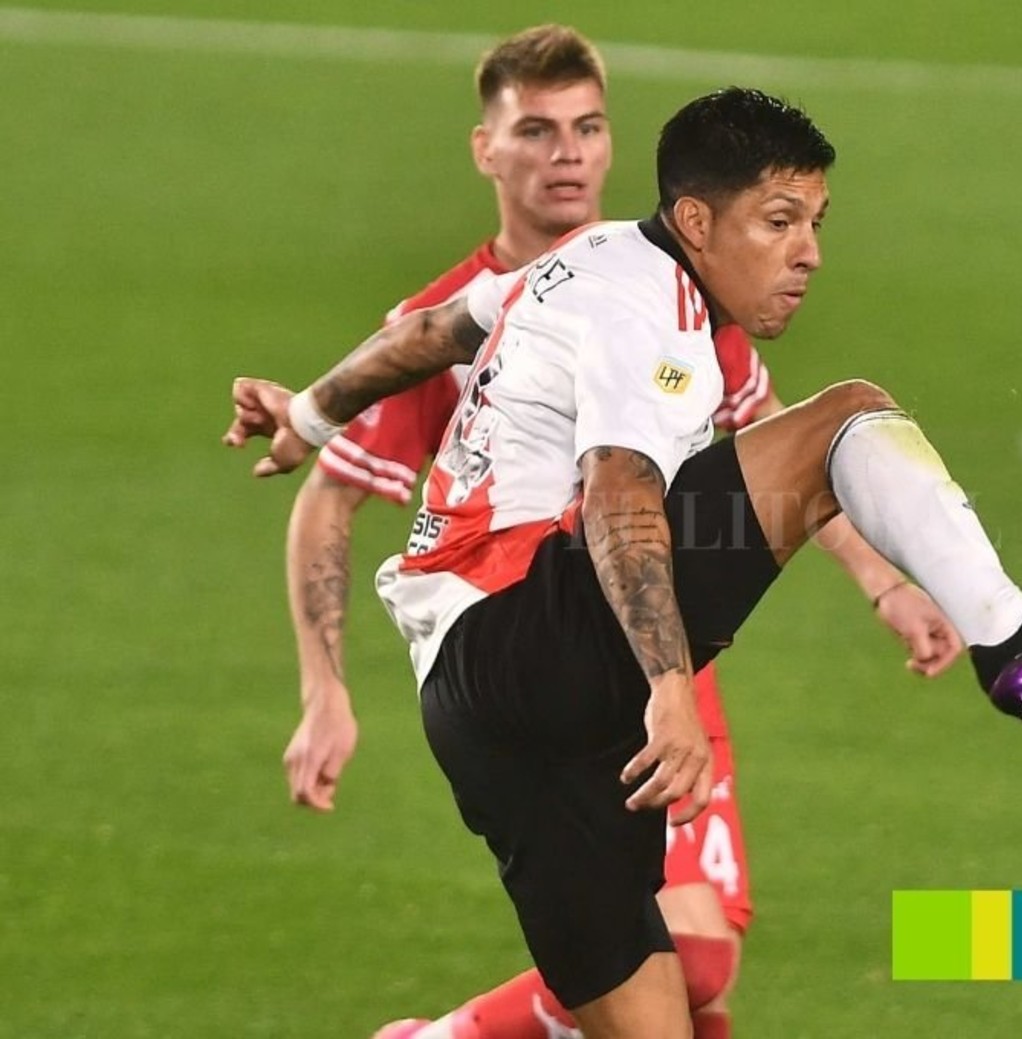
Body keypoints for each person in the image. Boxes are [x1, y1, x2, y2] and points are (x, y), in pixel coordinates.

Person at [226, 86, 1022, 1039]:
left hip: (474, 716)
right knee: (847, 416)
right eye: (779, 221)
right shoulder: (650, 311)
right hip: (530, 634)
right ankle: (1012, 643)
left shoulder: (578, 260)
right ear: (696, 221)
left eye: (815, 222)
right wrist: (669, 687)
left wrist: (306, 414)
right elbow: (619, 488)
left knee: (668, 1010)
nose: (808, 252)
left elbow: (428, 335)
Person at [274, 29, 958, 1039]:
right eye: (537, 131)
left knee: (700, 964)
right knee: (675, 967)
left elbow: (772, 453)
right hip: (548, 655)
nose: (567, 154)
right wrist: (323, 687)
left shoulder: (692, 286)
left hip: (663, 648)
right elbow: (331, 501)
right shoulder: (462, 316)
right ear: (486, 150)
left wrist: (884, 583)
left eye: (587, 128)